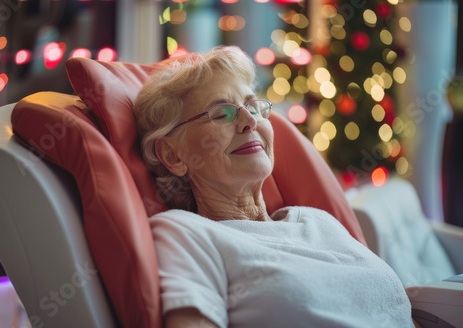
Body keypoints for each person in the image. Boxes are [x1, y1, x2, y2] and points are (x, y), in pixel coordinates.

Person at [134, 47, 417, 328]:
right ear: (173, 155)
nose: (250, 121)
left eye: (253, 107)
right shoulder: (186, 235)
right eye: (221, 114)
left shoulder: (317, 221)